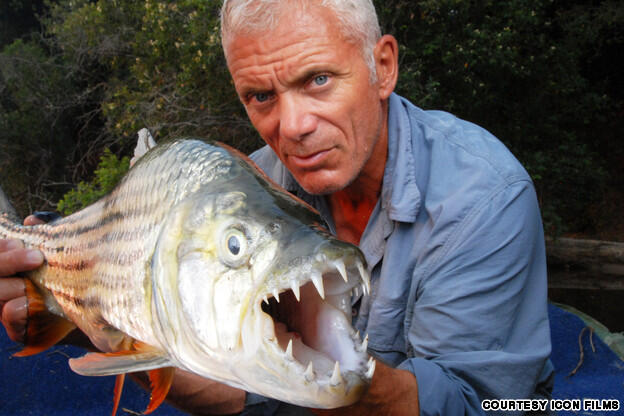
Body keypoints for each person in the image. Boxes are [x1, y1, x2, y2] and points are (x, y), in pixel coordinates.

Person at [1, 0, 554, 414]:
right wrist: (87, 320)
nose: (292, 127)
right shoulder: (253, 180)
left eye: (317, 80)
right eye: (261, 97)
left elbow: (476, 404)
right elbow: (240, 390)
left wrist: (342, 373)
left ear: (383, 66)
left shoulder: (483, 197)